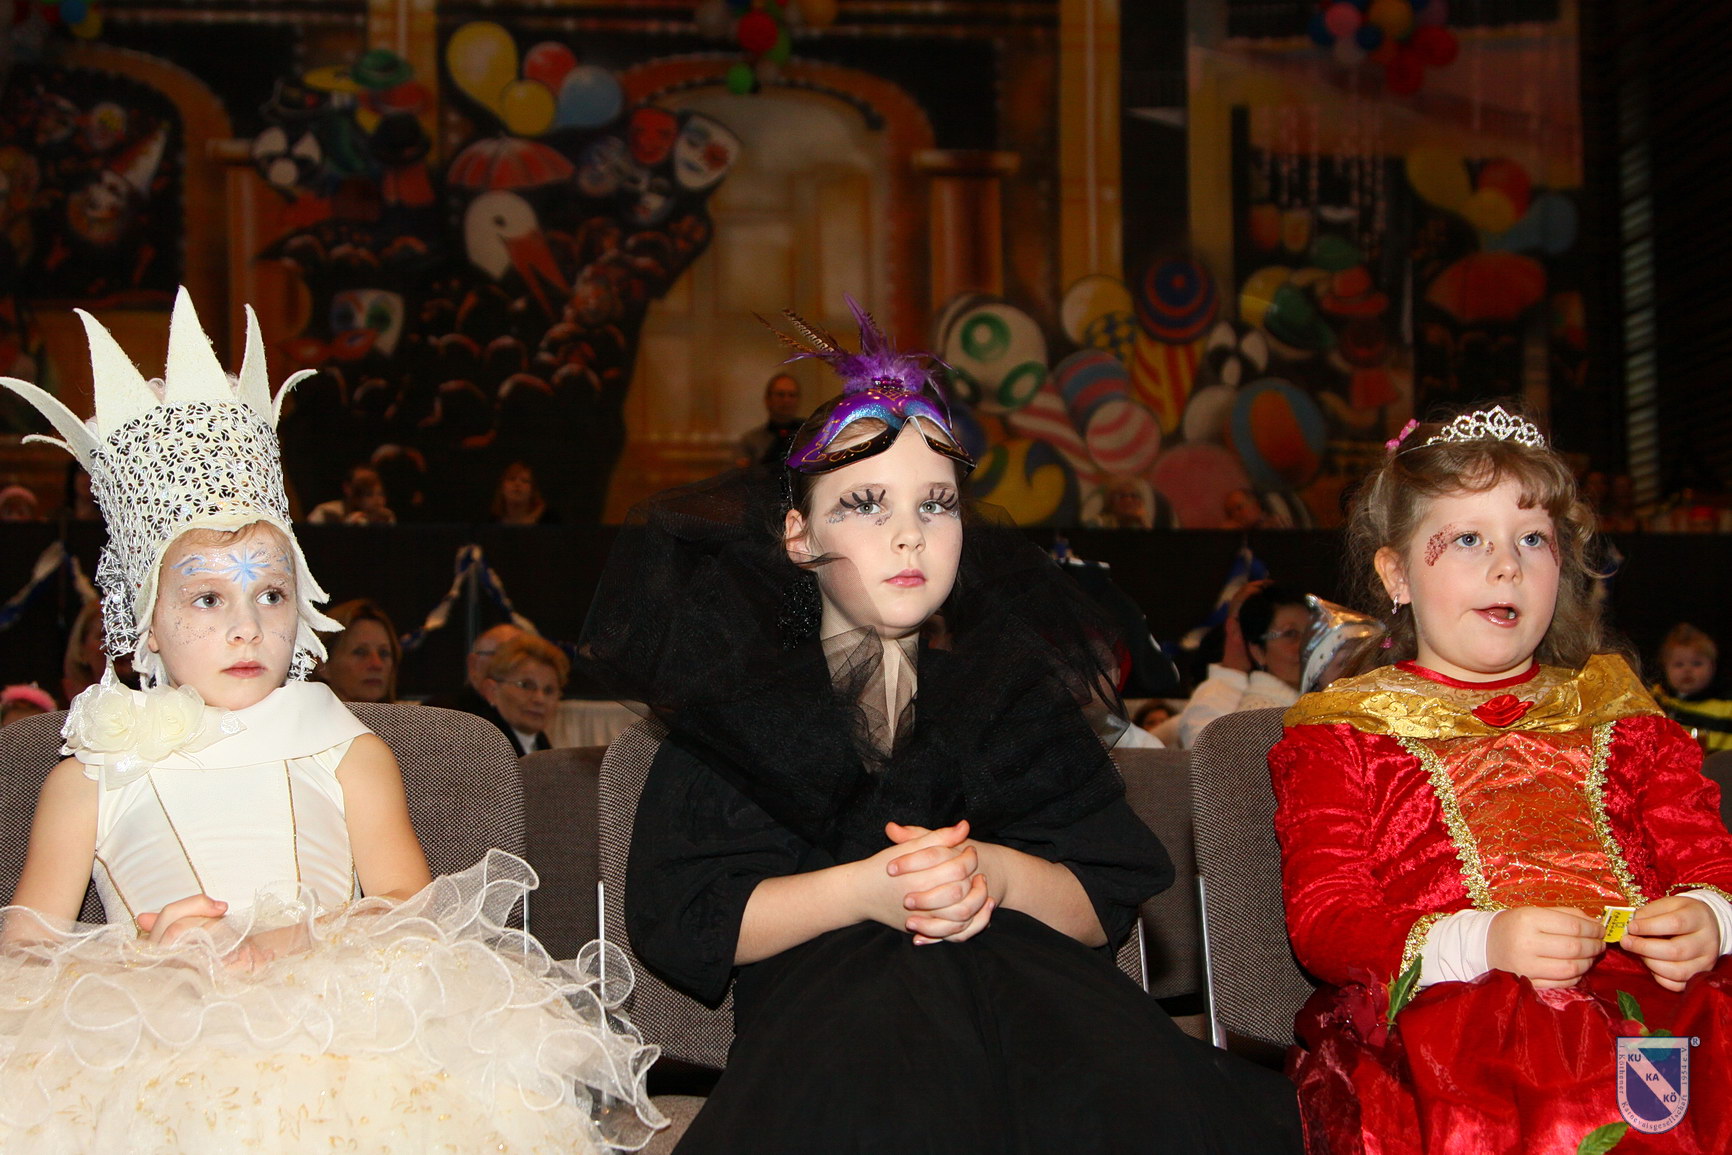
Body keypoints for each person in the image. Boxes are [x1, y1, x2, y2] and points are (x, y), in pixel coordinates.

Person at [582, 298, 1301, 1153]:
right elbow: (688, 915)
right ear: (798, 536)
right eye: (864, 503)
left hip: (1042, 1019)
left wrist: (989, 872)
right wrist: (869, 888)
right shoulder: (741, 715)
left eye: (936, 503)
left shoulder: (1011, 704)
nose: (908, 536)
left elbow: (1099, 900)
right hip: (835, 1034)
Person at [0, 291, 660, 1152]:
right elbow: (25, 948)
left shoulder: (345, 749)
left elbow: (410, 913)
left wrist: (275, 945)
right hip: (148, 1027)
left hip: (339, 1023)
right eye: (207, 597)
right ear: (145, 621)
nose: (247, 626)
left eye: (271, 593)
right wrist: (145, 957)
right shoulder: (91, 772)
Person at [1270, 405, 1732, 1153]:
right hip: (1464, 1031)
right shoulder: (1344, 733)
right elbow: (1327, 918)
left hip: (1671, 1013)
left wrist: (1710, 916)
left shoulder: (1623, 716)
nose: (1507, 565)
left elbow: (1711, 861)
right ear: (1397, 573)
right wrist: (1483, 940)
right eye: (1468, 539)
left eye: (1533, 539)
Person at [1174, 582, 1307, 748]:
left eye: (1310, 633)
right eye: (1290, 634)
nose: (1305, 645)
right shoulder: (1214, 702)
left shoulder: (1306, 697)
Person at [477, 633, 568, 756]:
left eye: (549, 690)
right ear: (492, 691)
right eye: (526, 685)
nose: (539, 699)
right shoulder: (479, 747)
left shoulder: (542, 744)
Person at [1652, 623, 1732, 754]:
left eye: (1697, 664)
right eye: (1679, 664)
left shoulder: (1727, 707)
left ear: (1713, 666)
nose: (1687, 670)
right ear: (1665, 667)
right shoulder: (1657, 700)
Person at [312, 597, 402, 703]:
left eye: (384, 653)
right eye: (360, 652)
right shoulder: (301, 713)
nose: (377, 664)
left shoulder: (411, 713)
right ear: (323, 665)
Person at [731, 371, 803, 469]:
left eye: (792, 395)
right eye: (780, 395)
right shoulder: (750, 442)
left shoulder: (810, 436)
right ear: (767, 400)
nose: (786, 400)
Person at [306, 463, 396, 525]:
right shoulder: (326, 512)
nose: (377, 500)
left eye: (380, 494)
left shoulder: (385, 516)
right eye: (368, 494)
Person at [490, 460, 558, 525]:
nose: (517, 484)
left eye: (525, 481)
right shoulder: (492, 522)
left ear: (532, 490)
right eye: (512, 479)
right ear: (502, 487)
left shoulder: (550, 520)